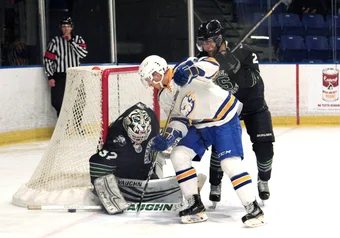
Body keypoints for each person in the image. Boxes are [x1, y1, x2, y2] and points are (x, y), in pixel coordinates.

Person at [138, 55, 264, 227]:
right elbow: (178, 119)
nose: (150, 84)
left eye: (149, 79)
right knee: (178, 155)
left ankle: (253, 209)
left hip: (223, 119)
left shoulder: (184, 66)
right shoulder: (164, 97)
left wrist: (191, 71)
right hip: (200, 125)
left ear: (157, 73)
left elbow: (213, 66)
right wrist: (168, 138)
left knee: (229, 164)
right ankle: (194, 205)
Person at [196, 19, 275, 205]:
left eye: (209, 41)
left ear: (219, 38)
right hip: (227, 109)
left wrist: (234, 65)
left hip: (254, 106)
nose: (206, 46)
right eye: (203, 42)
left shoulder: (244, 51)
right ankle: (215, 183)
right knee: (221, 148)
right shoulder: (203, 60)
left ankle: (263, 179)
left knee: (265, 148)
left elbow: (253, 79)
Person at [89, 102, 185, 214]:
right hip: (120, 173)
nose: (138, 139)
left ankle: (145, 179)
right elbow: (97, 161)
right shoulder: (118, 135)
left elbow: (153, 153)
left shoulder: (153, 125)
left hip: (142, 171)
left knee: (151, 158)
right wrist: (102, 182)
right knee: (107, 161)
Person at [44, 17, 88, 117]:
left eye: (68, 26)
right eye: (63, 26)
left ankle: (76, 125)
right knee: (57, 102)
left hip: (76, 75)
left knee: (79, 101)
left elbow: (83, 54)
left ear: (71, 28)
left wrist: (71, 41)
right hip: (60, 76)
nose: (66, 29)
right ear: (60, 28)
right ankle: (63, 125)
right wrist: (50, 76)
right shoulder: (55, 41)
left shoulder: (78, 39)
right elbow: (48, 59)